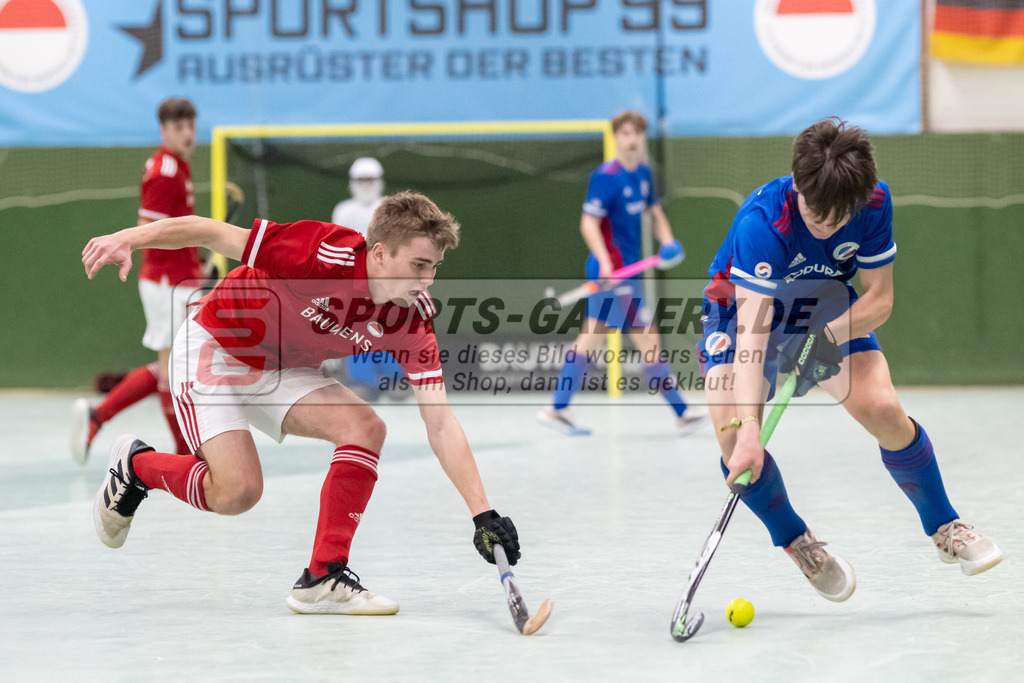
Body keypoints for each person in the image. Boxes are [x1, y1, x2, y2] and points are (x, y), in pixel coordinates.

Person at [82, 191, 521, 615]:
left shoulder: (410, 318)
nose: (427, 280)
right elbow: (211, 232)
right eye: (419, 265)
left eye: (435, 267)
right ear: (381, 253)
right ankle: (137, 466)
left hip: (282, 368)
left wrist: (482, 513)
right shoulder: (321, 253)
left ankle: (322, 577)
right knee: (237, 492)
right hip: (215, 349)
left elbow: (441, 424)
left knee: (366, 428)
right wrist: (128, 239)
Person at [697, 117, 1001, 602]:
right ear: (797, 183)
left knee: (882, 408)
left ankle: (946, 527)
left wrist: (825, 338)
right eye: (819, 215)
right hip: (738, 314)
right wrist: (751, 433)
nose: (830, 225)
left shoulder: (874, 200)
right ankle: (798, 542)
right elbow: (752, 336)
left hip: (822, 305)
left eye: (841, 217)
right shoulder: (762, 223)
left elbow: (879, 298)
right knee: (736, 444)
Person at [536, 110, 707, 436]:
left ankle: (557, 409)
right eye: (625, 134)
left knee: (591, 339)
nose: (632, 140)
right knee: (645, 339)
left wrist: (667, 240)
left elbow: (655, 213)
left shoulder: (643, 174)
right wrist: (605, 262)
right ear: (616, 138)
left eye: (637, 134)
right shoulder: (606, 176)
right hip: (610, 274)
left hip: (629, 273)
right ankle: (682, 412)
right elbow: (588, 223)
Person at [71, 97, 198, 463]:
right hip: (166, 282)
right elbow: (148, 231)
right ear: (163, 130)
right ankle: (184, 450)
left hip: (181, 278)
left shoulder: (178, 166)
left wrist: (196, 262)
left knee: (172, 365)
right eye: (179, 127)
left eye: (190, 125)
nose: (188, 134)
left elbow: (175, 230)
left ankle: (99, 415)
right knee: (173, 370)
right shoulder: (165, 172)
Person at [326, 157, 403, 398]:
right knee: (354, 329)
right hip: (353, 280)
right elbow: (340, 246)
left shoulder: (391, 209)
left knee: (386, 329)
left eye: (370, 179)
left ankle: (396, 379)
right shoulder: (343, 210)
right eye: (360, 179)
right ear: (352, 182)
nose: (365, 184)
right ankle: (363, 382)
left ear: (379, 181)